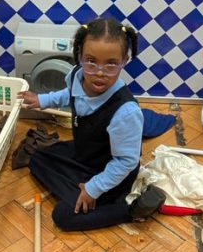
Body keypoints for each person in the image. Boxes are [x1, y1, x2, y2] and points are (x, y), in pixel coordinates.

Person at [19, 17, 165, 231]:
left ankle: (130, 209)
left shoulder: (126, 112)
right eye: (91, 61)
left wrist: (94, 188)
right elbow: (69, 94)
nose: (99, 72)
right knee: (37, 159)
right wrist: (42, 100)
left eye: (111, 64)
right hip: (85, 155)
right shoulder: (77, 76)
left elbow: (125, 162)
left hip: (113, 171)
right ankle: (81, 191)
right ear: (79, 56)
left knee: (63, 217)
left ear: (124, 61)